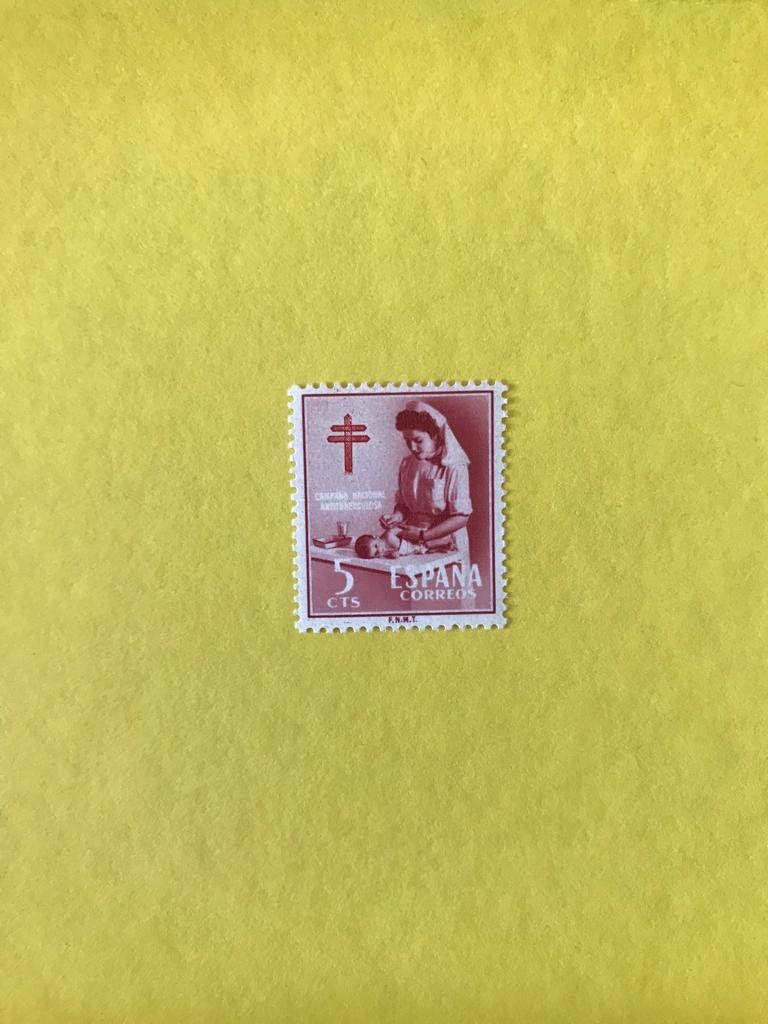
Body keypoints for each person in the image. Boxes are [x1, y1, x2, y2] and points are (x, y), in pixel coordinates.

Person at [379, 400, 472, 564]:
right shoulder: (407, 464)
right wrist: (396, 517)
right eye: (407, 441)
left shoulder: (454, 466)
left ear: (435, 435)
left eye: (418, 440)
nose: (412, 447)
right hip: (413, 543)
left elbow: (461, 518)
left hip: (446, 543)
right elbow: (403, 505)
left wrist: (423, 536)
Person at [354, 524, 450, 560]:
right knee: (428, 550)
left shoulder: (388, 535)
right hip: (414, 551)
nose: (379, 551)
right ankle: (442, 547)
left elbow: (398, 529)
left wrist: (415, 531)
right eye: (375, 554)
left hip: (415, 542)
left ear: (375, 537)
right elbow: (395, 554)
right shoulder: (383, 553)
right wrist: (393, 555)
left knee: (428, 544)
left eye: (376, 546)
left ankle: (446, 541)